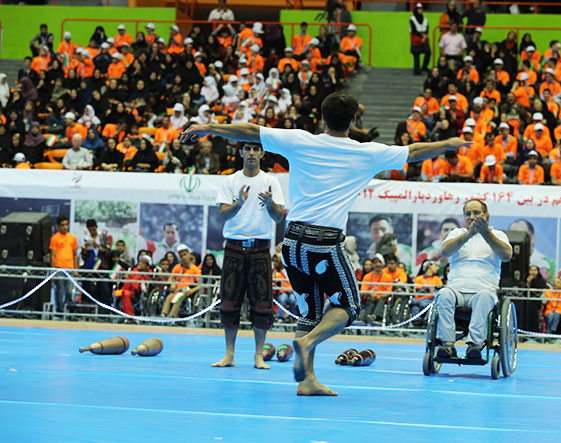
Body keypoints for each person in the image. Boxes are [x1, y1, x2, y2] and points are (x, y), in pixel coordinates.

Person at [180, 91, 467, 395]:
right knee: (350, 305)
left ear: (321, 117)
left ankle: (307, 382)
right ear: (354, 120)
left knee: (310, 310)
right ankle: (308, 342)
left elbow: (249, 131)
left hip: (292, 244)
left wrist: (209, 127)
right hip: (324, 244)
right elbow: (414, 151)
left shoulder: (299, 140)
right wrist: (448, 144)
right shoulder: (366, 152)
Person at [210, 142, 285, 370]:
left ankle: (258, 356)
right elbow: (223, 215)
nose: (251, 153)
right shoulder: (230, 181)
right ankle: (229, 355)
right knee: (229, 303)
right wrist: (239, 203)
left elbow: (279, 217)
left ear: (262, 153)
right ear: (241, 152)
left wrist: (270, 203)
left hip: (260, 249)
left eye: (255, 149)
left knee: (262, 304)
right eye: (248, 149)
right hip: (234, 247)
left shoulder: (271, 181)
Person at [435, 200, 512, 359]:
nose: (471, 216)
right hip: (456, 291)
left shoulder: (498, 235)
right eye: (468, 214)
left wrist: (486, 233)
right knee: (443, 294)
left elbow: (506, 256)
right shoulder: (457, 233)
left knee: (484, 296)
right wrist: (469, 234)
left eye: (476, 213)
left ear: (486, 216)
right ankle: (447, 345)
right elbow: (445, 252)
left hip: (484, 291)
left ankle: (474, 346)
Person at [160, 244, 201, 318]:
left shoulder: (195, 269)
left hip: (187, 291)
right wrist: (172, 284)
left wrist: (192, 290)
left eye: (185, 255)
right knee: (169, 297)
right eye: (181, 256)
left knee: (179, 296)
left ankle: (172, 315)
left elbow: (200, 285)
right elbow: (171, 278)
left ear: (189, 255)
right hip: (176, 290)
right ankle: (163, 314)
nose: (183, 257)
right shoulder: (177, 267)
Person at [49, 215, 79, 313]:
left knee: (69, 291)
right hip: (59, 267)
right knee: (60, 290)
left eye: (66, 224)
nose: (65, 227)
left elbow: (75, 255)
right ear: (58, 226)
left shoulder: (73, 238)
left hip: (70, 267)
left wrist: (76, 269)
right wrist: (52, 270)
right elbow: (52, 255)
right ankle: (60, 311)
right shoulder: (54, 238)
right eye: (62, 225)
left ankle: (69, 310)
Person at [273, 252, 296, 323]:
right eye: (274, 261)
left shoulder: (290, 270)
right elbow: (275, 280)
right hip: (283, 291)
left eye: (276, 261)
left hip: (291, 291)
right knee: (282, 299)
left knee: (292, 300)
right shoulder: (278, 272)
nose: (274, 263)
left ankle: (295, 317)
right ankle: (280, 317)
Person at [410, 2, 431, 76]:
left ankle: (424, 67)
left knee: (428, 52)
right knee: (416, 54)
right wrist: (422, 36)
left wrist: (425, 36)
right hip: (416, 37)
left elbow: (427, 28)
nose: (420, 10)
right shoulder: (412, 19)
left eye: (421, 9)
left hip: (424, 37)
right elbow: (414, 30)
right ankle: (417, 70)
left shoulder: (425, 19)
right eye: (419, 9)